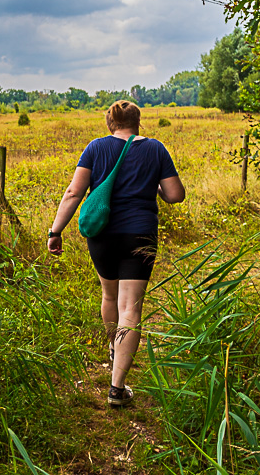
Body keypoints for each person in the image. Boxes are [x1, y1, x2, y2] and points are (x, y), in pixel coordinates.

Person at [47, 100, 185, 406]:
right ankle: (117, 388)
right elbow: (175, 195)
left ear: (111, 122)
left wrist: (55, 231)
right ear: (138, 122)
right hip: (140, 235)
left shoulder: (95, 148)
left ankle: (114, 348)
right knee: (130, 310)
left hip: (102, 236)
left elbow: (74, 193)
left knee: (109, 297)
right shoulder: (156, 149)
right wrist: (156, 188)